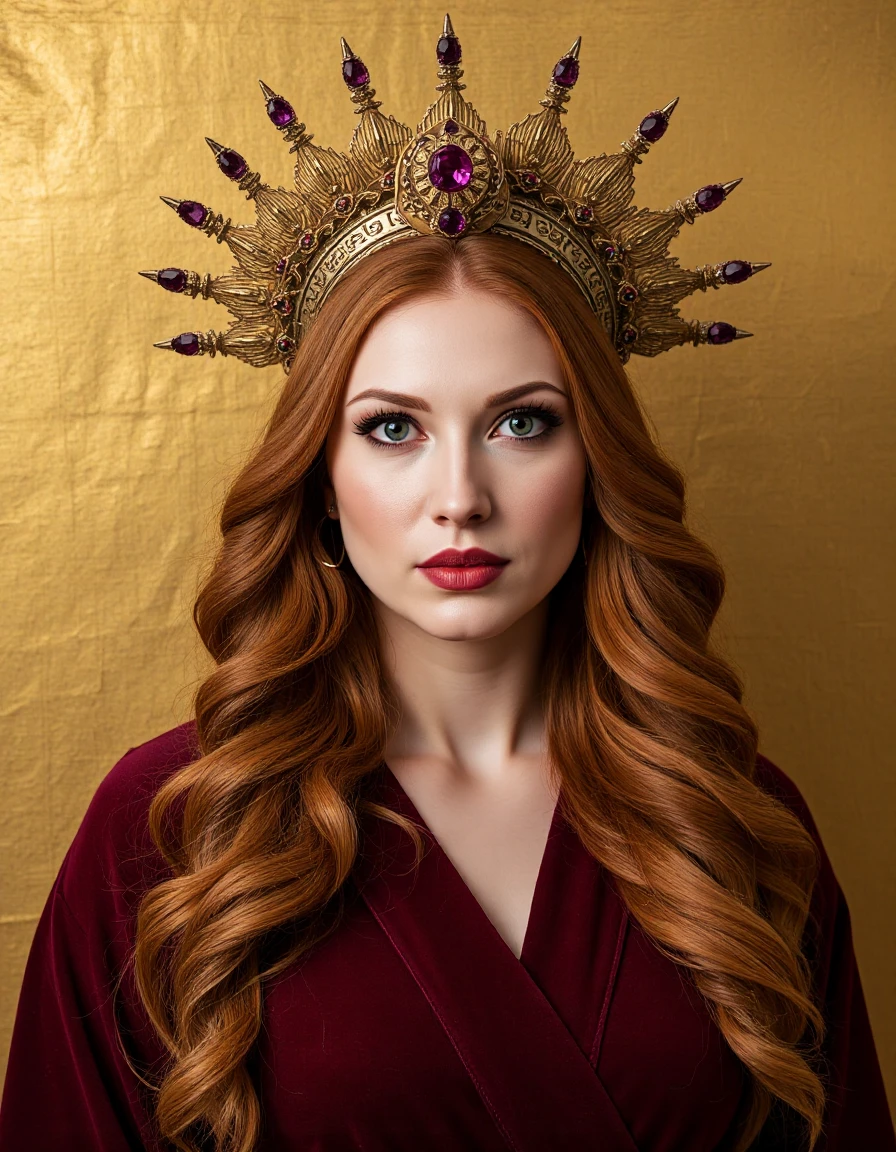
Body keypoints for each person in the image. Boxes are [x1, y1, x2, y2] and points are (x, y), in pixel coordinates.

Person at [2, 18, 893, 1152]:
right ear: (319, 477)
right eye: (391, 430)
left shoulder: (729, 819)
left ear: (596, 465)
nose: (459, 494)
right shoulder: (173, 828)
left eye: (522, 423)